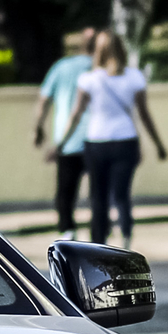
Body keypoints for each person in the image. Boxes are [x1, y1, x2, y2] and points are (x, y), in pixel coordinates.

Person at [60, 29, 168, 245]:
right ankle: (126, 237)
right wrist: (158, 144)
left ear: (98, 52)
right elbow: (144, 115)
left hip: (96, 142)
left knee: (98, 197)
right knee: (121, 194)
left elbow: (76, 114)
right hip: (125, 141)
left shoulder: (88, 80)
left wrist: (62, 143)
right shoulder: (134, 77)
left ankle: (99, 242)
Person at [32, 28, 97, 237]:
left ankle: (68, 230)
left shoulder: (61, 67)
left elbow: (44, 100)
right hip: (98, 138)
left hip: (67, 141)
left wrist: (38, 127)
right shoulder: (101, 68)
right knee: (98, 192)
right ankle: (98, 232)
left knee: (65, 192)